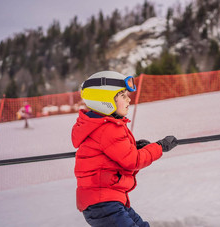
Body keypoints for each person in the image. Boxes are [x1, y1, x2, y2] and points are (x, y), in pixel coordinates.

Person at [71, 71, 178, 227]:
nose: (128, 99)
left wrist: (135, 148)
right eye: (122, 95)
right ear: (104, 100)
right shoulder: (108, 128)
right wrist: (160, 147)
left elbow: (117, 157)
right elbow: (132, 161)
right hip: (104, 203)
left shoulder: (98, 125)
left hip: (105, 201)